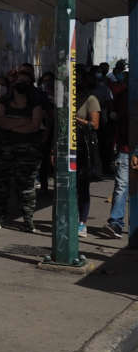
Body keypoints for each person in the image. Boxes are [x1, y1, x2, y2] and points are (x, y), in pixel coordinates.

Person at [0, 68, 44, 232]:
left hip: (27, 153)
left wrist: (10, 124)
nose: (21, 85)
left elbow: (34, 126)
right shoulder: (3, 101)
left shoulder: (35, 103)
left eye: (25, 82)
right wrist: (22, 122)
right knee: (0, 186)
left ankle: (28, 220)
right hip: (2, 151)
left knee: (26, 187)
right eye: (19, 81)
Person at [104, 66, 131, 240]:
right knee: (121, 185)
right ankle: (116, 222)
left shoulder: (123, 96)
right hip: (125, 148)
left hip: (126, 147)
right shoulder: (122, 96)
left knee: (122, 185)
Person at [76, 70, 102, 238]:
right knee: (67, 186)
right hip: (67, 147)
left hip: (83, 148)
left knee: (82, 186)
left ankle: (82, 223)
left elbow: (95, 124)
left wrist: (75, 119)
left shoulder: (90, 100)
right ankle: (69, 219)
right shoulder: (65, 98)